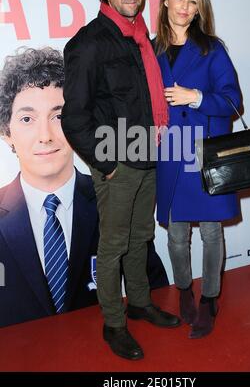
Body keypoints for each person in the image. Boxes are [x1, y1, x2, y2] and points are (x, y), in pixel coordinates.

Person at [61, 0, 180, 361]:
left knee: (141, 238)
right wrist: (107, 163)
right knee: (112, 246)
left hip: (149, 155)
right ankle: (114, 323)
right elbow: (74, 117)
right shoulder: (89, 43)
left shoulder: (140, 35)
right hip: (118, 162)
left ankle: (142, 304)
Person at [0, 47, 168, 329]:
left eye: (59, 116)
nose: (45, 136)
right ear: (6, 133)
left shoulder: (118, 202)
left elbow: (155, 296)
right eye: (27, 119)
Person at [155, 0, 242, 339]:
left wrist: (197, 97)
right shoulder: (151, 49)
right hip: (170, 152)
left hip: (205, 152)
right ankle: (183, 291)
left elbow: (234, 101)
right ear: (165, 2)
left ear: (198, 10)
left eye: (193, 2)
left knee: (210, 232)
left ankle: (209, 298)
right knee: (176, 236)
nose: (185, 7)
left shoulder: (212, 49)